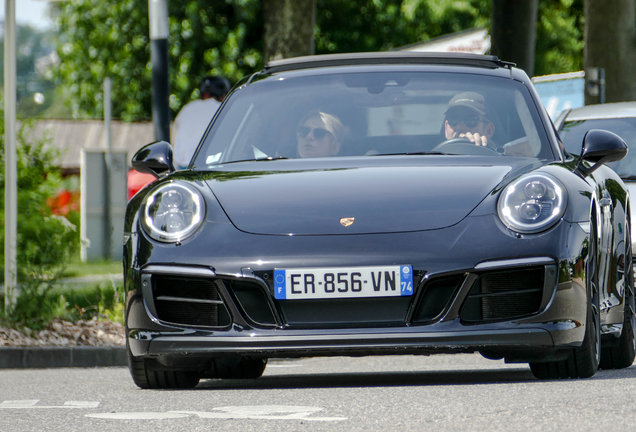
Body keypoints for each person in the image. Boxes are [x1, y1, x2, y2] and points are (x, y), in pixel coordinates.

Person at [173, 76, 231, 169]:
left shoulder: (187, 108)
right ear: (223, 95)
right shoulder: (223, 109)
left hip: (182, 168)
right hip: (211, 168)